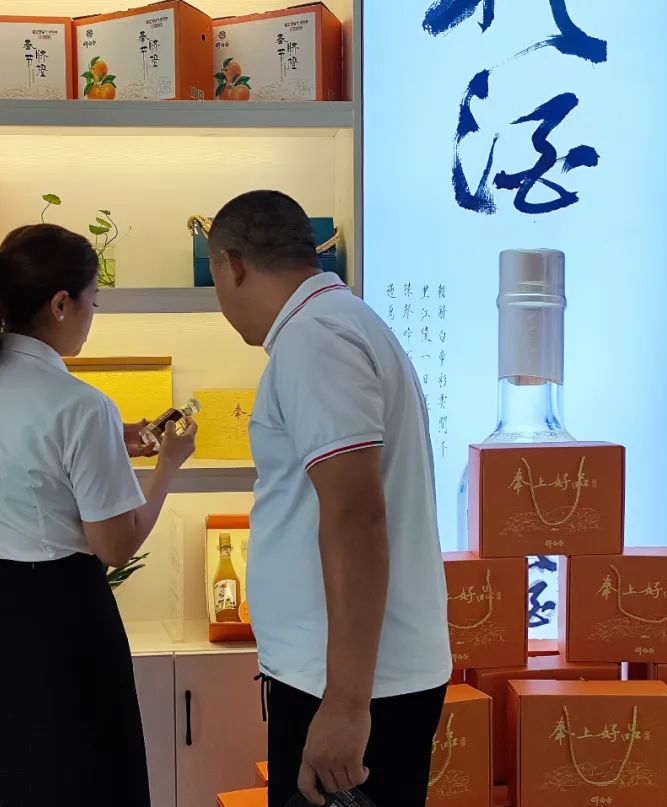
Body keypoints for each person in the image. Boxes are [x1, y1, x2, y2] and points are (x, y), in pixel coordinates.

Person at [0, 223, 196, 806]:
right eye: (94, 300)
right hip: (57, 619)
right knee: (76, 778)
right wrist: (167, 465)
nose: (94, 314)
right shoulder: (81, 406)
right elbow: (116, 546)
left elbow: (20, 462)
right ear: (61, 303)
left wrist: (113, 442)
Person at [207, 191, 453, 807]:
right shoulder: (340, 323)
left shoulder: (315, 339)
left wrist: (345, 704)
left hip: (349, 687)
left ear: (230, 265)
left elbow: (354, 516)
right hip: (350, 677)